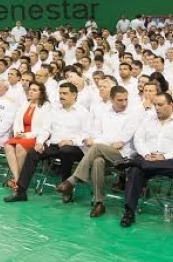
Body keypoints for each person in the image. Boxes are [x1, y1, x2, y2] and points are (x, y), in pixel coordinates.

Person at [54, 86, 141, 217]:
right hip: (103, 153)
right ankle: (99, 203)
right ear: (111, 100)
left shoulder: (133, 115)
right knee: (97, 161)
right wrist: (100, 140)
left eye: (125, 100)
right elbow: (96, 133)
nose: (124, 103)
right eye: (120, 100)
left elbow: (120, 141)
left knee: (96, 147)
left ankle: (72, 180)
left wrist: (97, 141)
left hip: (124, 156)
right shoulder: (104, 113)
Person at [4, 82, 88, 203]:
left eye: (65, 93)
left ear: (74, 95)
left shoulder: (83, 112)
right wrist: (39, 142)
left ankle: (67, 188)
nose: (61, 96)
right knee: (33, 152)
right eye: (60, 93)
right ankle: (21, 191)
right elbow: (46, 129)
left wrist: (71, 141)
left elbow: (87, 134)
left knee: (66, 151)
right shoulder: (55, 110)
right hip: (54, 145)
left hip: (74, 147)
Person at [119, 92, 173, 227]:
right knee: (135, 172)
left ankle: (137, 162)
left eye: (160, 105)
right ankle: (129, 212)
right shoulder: (147, 121)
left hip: (171, 161)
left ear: (171, 105)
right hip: (149, 158)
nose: (157, 108)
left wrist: (164, 156)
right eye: (155, 105)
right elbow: (138, 140)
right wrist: (146, 155)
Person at [3, 81, 51, 190]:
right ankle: (18, 178)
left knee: (20, 146)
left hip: (35, 137)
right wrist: (18, 133)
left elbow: (45, 128)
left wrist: (27, 135)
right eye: (30, 89)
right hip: (22, 135)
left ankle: (17, 181)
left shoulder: (46, 106)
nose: (31, 92)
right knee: (8, 145)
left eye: (34, 90)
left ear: (41, 93)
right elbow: (17, 122)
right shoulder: (25, 104)